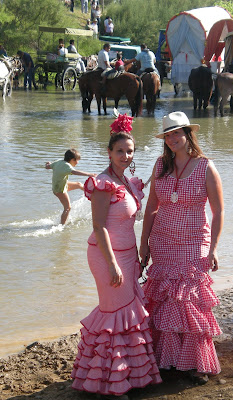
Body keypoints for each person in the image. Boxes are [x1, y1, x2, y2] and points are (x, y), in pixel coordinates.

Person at [71, 114, 162, 398]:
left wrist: (136, 257)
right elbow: (98, 227)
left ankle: (123, 376)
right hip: (105, 256)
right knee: (115, 315)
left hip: (126, 256)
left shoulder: (129, 183)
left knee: (127, 314)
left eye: (130, 151)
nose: (125, 155)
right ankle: (111, 381)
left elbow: (129, 222)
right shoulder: (102, 183)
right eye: (119, 150)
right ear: (109, 152)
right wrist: (112, 265)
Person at [139, 111, 224, 384]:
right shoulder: (160, 165)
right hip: (162, 241)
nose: (172, 139)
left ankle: (191, 362)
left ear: (188, 134)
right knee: (163, 301)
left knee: (189, 301)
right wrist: (144, 244)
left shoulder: (205, 166)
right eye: (168, 135)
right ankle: (166, 359)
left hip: (194, 240)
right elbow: (151, 207)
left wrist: (212, 249)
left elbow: (219, 211)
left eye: (177, 133)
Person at [45, 149, 96, 225]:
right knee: (68, 208)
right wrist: (89, 174)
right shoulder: (66, 166)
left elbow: (48, 167)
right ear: (72, 159)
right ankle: (61, 226)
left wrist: (48, 164)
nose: (77, 163)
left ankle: (94, 195)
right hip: (60, 190)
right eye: (77, 160)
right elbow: (75, 172)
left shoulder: (58, 162)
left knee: (78, 184)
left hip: (60, 185)